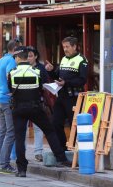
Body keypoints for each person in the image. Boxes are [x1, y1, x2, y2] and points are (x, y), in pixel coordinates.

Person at [9, 46, 72, 178]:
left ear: (19, 57)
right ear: (27, 57)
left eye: (15, 57)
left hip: (18, 108)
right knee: (49, 131)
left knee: (20, 138)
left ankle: (21, 169)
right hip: (35, 107)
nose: (14, 59)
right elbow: (40, 88)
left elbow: (11, 88)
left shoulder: (12, 72)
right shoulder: (36, 71)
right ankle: (61, 158)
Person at [45, 36, 88, 150]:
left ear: (74, 46)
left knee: (74, 124)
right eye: (64, 47)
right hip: (61, 95)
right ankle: (62, 149)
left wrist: (66, 83)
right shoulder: (64, 59)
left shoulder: (81, 60)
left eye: (67, 46)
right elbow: (58, 77)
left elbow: (82, 80)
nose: (65, 49)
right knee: (55, 122)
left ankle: (74, 149)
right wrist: (51, 71)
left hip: (73, 97)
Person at [0, 39, 21, 174]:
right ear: (15, 49)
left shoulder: (1, 60)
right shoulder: (11, 61)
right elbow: (10, 75)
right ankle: (4, 164)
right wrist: (11, 91)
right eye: (20, 50)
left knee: (2, 132)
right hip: (8, 101)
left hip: (0, 100)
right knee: (10, 132)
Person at [26, 46, 49, 162]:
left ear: (35, 56)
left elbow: (45, 83)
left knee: (38, 127)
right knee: (22, 128)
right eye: (27, 56)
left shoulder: (41, 68)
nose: (28, 58)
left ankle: (38, 152)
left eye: (30, 56)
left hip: (37, 100)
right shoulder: (22, 67)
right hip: (23, 101)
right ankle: (21, 152)